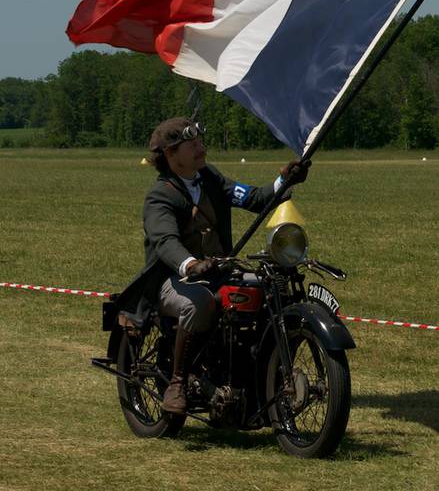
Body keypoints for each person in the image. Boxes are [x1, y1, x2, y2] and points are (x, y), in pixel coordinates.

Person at [115, 116, 310, 415]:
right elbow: (165, 241)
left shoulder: (209, 178)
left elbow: (254, 198)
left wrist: (285, 180)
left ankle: (260, 376)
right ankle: (177, 383)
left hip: (218, 271)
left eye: (199, 141)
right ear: (170, 154)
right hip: (170, 279)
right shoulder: (160, 195)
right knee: (198, 305)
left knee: (270, 287)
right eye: (190, 144)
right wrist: (191, 264)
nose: (199, 147)